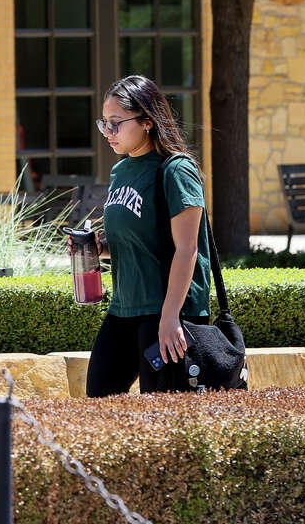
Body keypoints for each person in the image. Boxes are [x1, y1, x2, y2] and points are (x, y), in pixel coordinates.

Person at [78, 74, 213, 396]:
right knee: (99, 397)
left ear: (147, 121)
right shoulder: (121, 171)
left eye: (116, 123)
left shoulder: (176, 169)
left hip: (166, 310)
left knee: (165, 412)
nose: (108, 132)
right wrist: (99, 248)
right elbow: (139, 240)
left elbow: (187, 248)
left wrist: (170, 318)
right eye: (104, 123)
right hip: (124, 306)